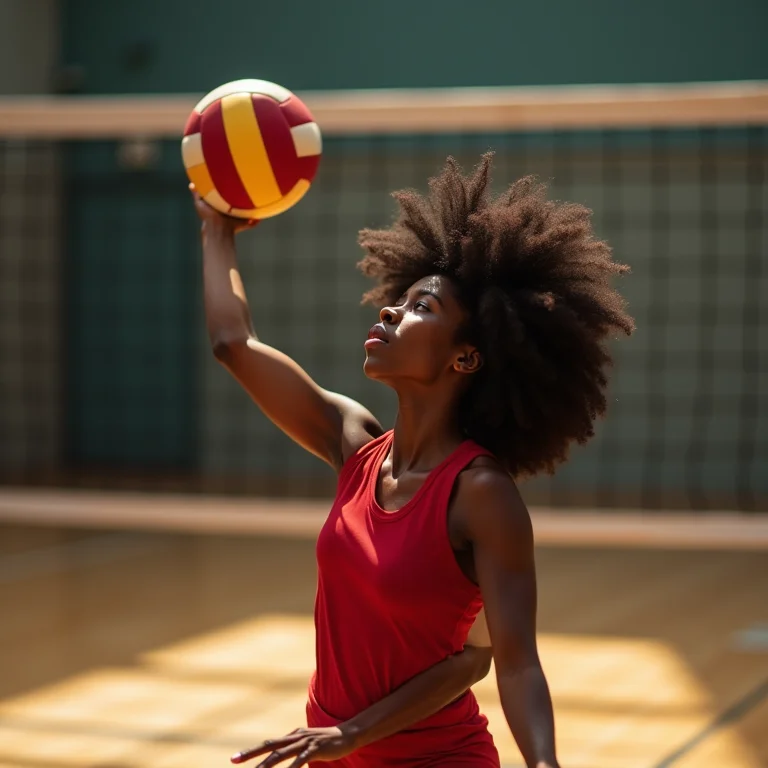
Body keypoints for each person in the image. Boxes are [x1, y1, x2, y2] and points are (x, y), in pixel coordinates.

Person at [192, 153, 634, 768]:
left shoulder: (481, 494)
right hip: (327, 751)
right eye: (397, 301)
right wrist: (217, 228)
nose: (391, 311)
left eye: (422, 308)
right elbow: (232, 343)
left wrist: (544, 765)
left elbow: (507, 660)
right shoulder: (353, 445)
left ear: (467, 358)